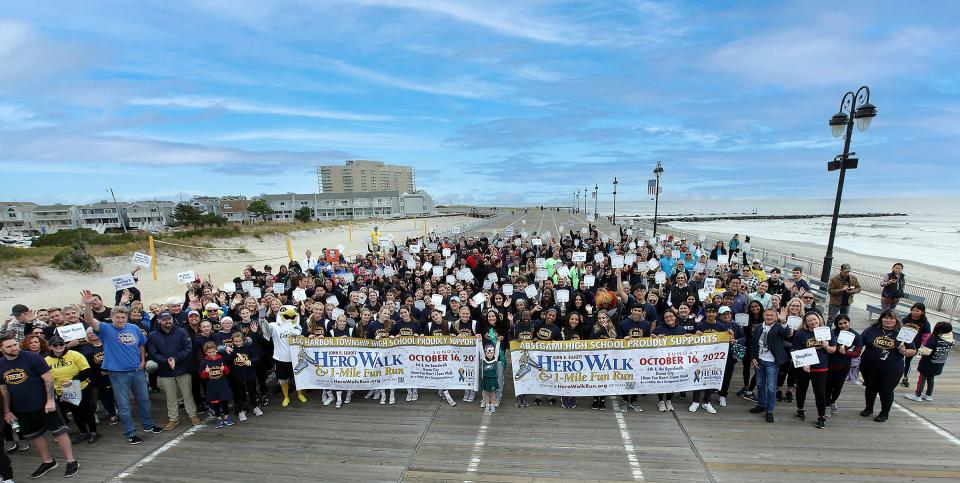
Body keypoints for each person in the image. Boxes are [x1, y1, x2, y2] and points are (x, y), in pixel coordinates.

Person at [81, 289, 163, 445]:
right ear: (111, 318)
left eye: (123, 317)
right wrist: (87, 305)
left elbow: (141, 344)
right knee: (124, 405)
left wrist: (142, 361)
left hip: (137, 370)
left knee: (144, 400)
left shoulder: (133, 328)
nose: (120, 320)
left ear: (127, 317)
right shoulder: (105, 328)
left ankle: (148, 425)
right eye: (117, 317)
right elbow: (90, 320)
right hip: (118, 373)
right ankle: (130, 433)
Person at [0, 335, 79, 478]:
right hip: (21, 408)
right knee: (35, 436)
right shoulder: (0, 364)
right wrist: (7, 410)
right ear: (1, 349)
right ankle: (48, 461)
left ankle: (71, 460)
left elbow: (48, 379)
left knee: (59, 432)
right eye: (9, 346)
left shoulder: (32, 358)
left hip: (43, 404)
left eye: (15, 344)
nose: (14, 348)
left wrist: (50, 401)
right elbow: (4, 389)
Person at [147, 310, 201, 430]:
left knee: (187, 393)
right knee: (171, 396)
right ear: (159, 321)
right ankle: (173, 418)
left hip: (182, 368)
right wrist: (166, 360)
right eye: (164, 319)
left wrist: (175, 359)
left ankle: (192, 415)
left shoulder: (181, 331)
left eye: (169, 319)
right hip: (165, 370)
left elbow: (188, 348)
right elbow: (153, 353)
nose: (168, 321)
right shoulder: (153, 335)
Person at [859, 310, 916, 422]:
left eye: (891, 318)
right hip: (869, 366)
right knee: (870, 387)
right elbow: (860, 342)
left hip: (892, 369)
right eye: (885, 317)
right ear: (881, 318)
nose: (888, 320)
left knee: (886, 390)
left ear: (896, 320)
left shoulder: (903, 333)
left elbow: (913, 350)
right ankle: (868, 408)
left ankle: (884, 412)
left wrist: (904, 351)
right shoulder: (872, 329)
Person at [44, 336, 99, 444]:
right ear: (50, 347)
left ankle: (93, 432)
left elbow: (86, 371)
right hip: (62, 390)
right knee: (75, 412)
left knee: (87, 410)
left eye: (61, 344)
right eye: (55, 345)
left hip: (80, 387)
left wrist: (73, 381)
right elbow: (46, 377)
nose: (59, 346)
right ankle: (83, 432)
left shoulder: (75, 354)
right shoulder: (46, 360)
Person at [791, 312, 836, 429]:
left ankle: (821, 416)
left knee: (820, 392)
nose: (813, 322)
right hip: (804, 368)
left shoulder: (827, 332)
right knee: (801, 389)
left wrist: (826, 346)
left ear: (819, 319)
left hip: (821, 367)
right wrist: (803, 364)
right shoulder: (801, 333)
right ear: (806, 322)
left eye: (815, 320)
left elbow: (833, 350)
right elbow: (794, 350)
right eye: (810, 320)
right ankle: (800, 409)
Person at [749, 308, 787, 422]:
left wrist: (783, 321)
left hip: (772, 362)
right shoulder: (759, 327)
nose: (769, 317)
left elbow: (786, 333)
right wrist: (753, 357)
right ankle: (762, 404)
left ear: (775, 317)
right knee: (760, 384)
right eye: (767, 315)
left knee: (771, 387)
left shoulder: (779, 327)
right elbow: (753, 343)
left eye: (772, 315)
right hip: (759, 359)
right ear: (764, 316)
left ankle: (769, 410)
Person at [265, 306, 307, 407]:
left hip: (296, 358)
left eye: (292, 316)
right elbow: (266, 331)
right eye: (286, 316)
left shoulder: (298, 327)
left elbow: (297, 336)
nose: (289, 318)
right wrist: (262, 320)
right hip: (281, 358)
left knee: (299, 377)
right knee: (283, 379)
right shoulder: (274, 325)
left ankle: (300, 394)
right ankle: (286, 397)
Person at [904, 322, 953, 402]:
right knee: (931, 378)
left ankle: (918, 395)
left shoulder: (934, 338)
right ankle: (928, 395)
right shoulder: (950, 339)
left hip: (927, 363)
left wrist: (918, 350)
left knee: (922, 378)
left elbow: (926, 351)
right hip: (939, 362)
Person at [826, 315, 861, 417]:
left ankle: (833, 401)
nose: (843, 325)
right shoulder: (832, 332)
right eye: (840, 324)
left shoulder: (856, 335)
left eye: (845, 323)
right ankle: (826, 405)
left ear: (849, 322)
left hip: (843, 365)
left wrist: (845, 353)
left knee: (837, 387)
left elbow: (857, 353)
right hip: (830, 363)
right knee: (827, 386)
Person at [199, 342, 234, 429]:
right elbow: (202, 376)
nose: (212, 354)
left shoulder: (222, 359)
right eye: (209, 352)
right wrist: (205, 372)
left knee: (224, 400)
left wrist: (224, 368)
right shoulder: (204, 362)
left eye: (213, 351)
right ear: (205, 352)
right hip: (212, 385)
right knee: (215, 402)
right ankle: (218, 417)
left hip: (222, 383)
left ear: (216, 350)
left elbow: (228, 372)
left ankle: (226, 416)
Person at [900, 303, 931, 388]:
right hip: (902, 343)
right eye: (913, 310)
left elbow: (926, 336)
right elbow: (898, 329)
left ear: (923, 312)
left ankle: (905, 378)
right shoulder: (905, 319)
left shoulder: (925, 323)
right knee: (898, 359)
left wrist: (923, 346)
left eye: (917, 311)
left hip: (914, 345)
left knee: (908, 362)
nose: (914, 312)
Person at [480, 341, 501, 414]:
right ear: (485, 353)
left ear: (493, 353)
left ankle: (492, 405)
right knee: (486, 393)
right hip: (486, 379)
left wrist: (498, 341)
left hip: (493, 379)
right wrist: (480, 341)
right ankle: (487, 405)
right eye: (488, 353)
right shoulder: (483, 359)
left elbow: (497, 350)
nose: (489, 354)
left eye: (491, 353)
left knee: (493, 393)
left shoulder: (495, 359)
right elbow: (481, 350)